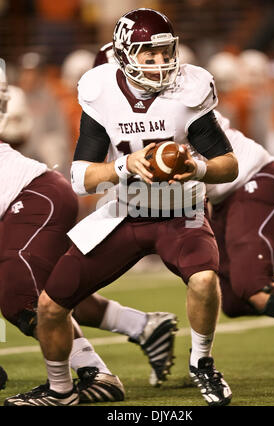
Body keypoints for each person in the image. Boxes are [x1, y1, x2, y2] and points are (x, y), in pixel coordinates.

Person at [5, 8, 238, 407]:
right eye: (151, 56)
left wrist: (196, 167)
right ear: (126, 54)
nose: (162, 64)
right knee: (49, 303)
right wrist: (123, 165)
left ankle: (202, 362)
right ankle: (61, 390)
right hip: (126, 212)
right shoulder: (101, 90)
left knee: (203, 279)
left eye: (166, 54)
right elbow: (79, 178)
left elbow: (228, 166)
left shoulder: (189, 92)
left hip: (180, 210)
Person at [0, 75, 178, 402]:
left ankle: (86, 379)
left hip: (34, 196)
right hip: (38, 194)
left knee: (21, 296)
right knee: (47, 293)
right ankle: (140, 326)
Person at [205, 110, 274, 326]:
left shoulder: (179, 103)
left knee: (253, 286)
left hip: (253, 178)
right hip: (221, 198)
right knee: (233, 301)